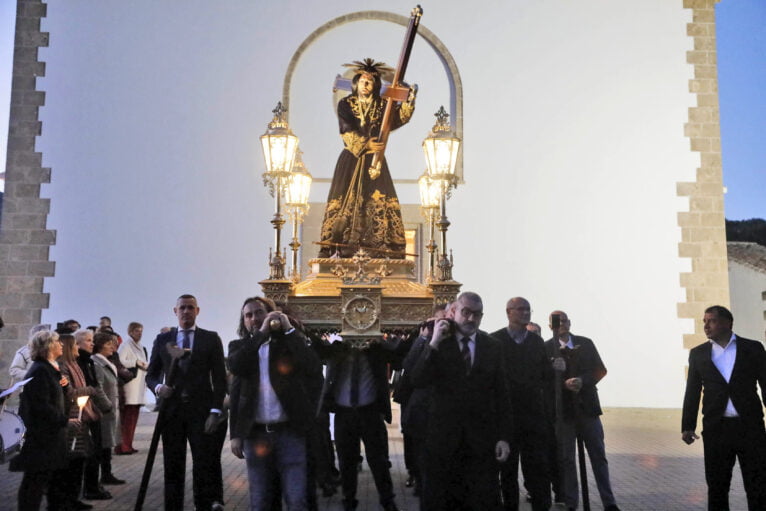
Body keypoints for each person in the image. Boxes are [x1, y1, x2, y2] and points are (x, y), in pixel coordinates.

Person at [410, 291, 512, 511]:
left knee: (479, 500)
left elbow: (501, 394)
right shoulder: (438, 342)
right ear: (454, 312)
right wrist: (434, 341)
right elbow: (417, 379)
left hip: (480, 443)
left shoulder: (492, 346)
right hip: (442, 441)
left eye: (477, 314)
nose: (471, 319)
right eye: (466, 313)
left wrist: (503, 437)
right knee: (440, 500)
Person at [228, 297, 323, 510]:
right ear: (243, 321)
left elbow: (313, 367)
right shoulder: (239, 347)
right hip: (256, 435)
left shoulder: (287, 346)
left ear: (270, 314)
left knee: (297, 499)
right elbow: (236, 376)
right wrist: (235, 434)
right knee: (261, 500)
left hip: (289, 433)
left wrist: (290, 331)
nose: (254, 318)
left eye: (259, 313)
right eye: (248, 315)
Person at [317, 58, 415, 259]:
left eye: (369, 82)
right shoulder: (346, 104)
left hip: (375, 162)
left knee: (377, 200)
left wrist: (408, 102)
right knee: (344, 200)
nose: (365, 84)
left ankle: (376, 246)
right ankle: (340, 246)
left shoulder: (383, 105)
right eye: (362, 81)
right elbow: (345, 129)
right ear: (356, 83)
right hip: (351, 159)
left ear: (376, 85)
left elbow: (397, 119)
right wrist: (365, 144)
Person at [146, 294, 227, 511]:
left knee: (203, 464)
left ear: (197, 311)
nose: (186, 311)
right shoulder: (163, 340)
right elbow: (151, 375)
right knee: (172, 465)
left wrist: (215, 410)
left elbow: (220, 379)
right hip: (171, 412)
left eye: (190, 307)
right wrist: (158, 388)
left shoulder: (210, 339)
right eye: (182, 308)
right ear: (175, 311)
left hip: (200, 411)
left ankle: (203, 506)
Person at [316, 321, 408, 511]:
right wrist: (301, 329)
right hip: (344, 413)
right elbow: (318, 351)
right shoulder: (337, 349)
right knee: (346, 462)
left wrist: (413, 332)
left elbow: (398, 356)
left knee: (379, 461)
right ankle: (349, 502)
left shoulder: (376, 349)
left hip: (370, 413)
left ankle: (388, 501)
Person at [682, 305, 766, 510]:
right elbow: (692, 392)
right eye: (704, 321)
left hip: (750, 428)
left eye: (711, 321)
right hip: (716, 429)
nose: (706, 326)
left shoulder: (753, 348)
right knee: (717, 487)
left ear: (728, 323)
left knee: (758, 486)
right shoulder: (698, 354)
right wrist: (687, 426)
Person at [545, 311, 620, 511]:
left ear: (569, 323)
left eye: (564, 320)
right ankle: (571, 503)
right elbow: (542, 380)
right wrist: (562, 383)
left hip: (588, 409)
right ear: (550, 326)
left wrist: (583, 381)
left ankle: (609, 502)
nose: (561, 324)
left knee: (598, 456)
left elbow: (600, 369)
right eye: (557, 322)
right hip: (564, 413)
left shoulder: (585, 343)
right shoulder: (546, 348)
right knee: (567, 459)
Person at [491, 297, 552, 511]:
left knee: (537, 471)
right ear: (508, 312)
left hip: (533, 418)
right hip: (507, 418)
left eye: (528, 309)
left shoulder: (536, 342)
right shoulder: (495, 341)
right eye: (520, 309)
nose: (526, 313)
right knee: (507, 472)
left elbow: (545, 375)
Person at [11, 330, 79, 511]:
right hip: (41, 436)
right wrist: (65, 420)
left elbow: (58, 395)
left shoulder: (50, 367)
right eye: (58, 341)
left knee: (42, 479)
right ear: (48, 346)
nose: (61, 345)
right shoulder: (41, 370)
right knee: (34, 481)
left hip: (49, 435)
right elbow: (42, 406)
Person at [75, 328, 114, 502]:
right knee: (89, 453)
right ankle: (89, 488)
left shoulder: (87, 361)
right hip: (84, 413)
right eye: (88, 340)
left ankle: (93, 485)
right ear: (76, 344)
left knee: (96, 450)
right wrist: (106, 405)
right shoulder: (80, 362)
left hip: (93, 411)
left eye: (92, 340)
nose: (92, 343)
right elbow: (93, 386)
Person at [91, 332, 125, 486]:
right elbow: (98, 387)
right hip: (103, 410)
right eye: (109, 343)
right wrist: (107, 406)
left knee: (107, 443)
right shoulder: (97, 363)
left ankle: (107, 473)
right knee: (102, 444)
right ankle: (102, 475)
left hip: (110, 409)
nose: (113, 347)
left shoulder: (106, 362)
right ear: (100, 345)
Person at [116, 321, 148, 455]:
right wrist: (135, 362)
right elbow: (120, 361)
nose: (139, 333)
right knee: (127, 418)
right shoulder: (126, 345)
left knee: (133, 418)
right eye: (136, 331)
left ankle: (128, 444)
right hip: (130, 386)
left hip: (139, 386)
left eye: (141, 331)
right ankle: (122, 446)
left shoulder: (140, 346)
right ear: (130, 332)